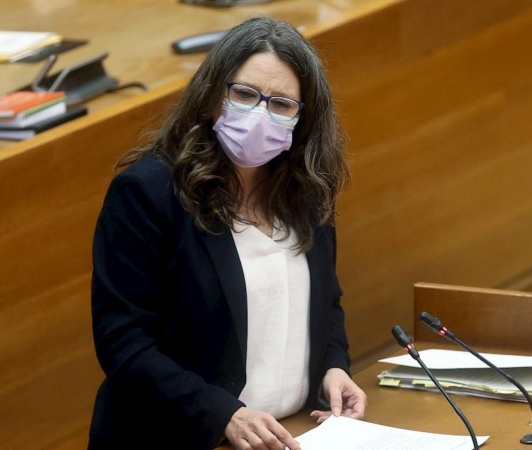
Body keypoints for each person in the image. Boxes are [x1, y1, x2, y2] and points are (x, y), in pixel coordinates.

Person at [88, 17, 366, 450]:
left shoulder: (307, 191)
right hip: (179, 438)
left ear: (303, 119)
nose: (260, 113)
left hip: (290, 434)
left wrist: (334, 365)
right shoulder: (148, 193)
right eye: (245, 94)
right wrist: (222, 414)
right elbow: (123, 342)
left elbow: (326, 303)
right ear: (212, 95)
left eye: (281, 104)